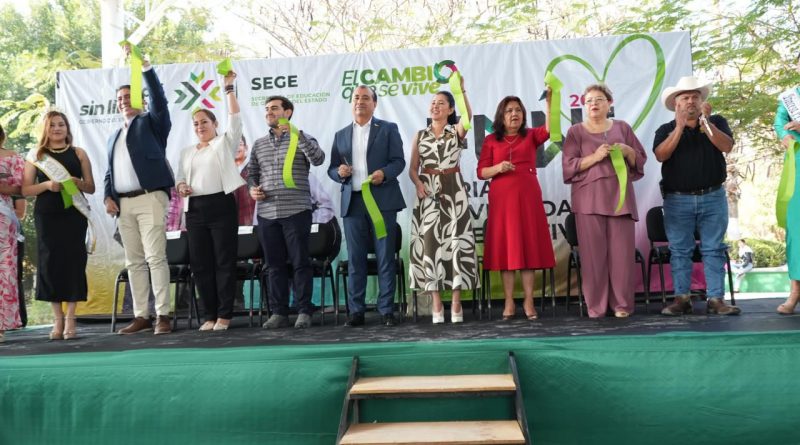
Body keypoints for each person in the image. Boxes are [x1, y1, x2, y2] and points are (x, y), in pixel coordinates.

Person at [653, 76, 740, 316]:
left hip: (713, 196)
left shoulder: (717, 122)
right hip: (677, 200)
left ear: (702, 102)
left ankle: (716, 299)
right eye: (685, 98)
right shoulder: (665, 130)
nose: (690, 101)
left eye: (695, 97)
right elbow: (661, 155)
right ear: (676, 104)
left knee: (714, 248)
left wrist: (706, 123)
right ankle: (682, 299)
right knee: (680, 250)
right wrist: (679, 127)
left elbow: (726, 146)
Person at [104, 46, 175, 334]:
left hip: (150, 198)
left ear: (140, 99)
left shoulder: (152, 123)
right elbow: (109, 171)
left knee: (155, 257)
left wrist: (145, 67)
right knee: (134, 261)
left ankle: (163, 315)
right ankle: (141, 315)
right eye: (119, 98)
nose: (124, 101)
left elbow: (159, 99)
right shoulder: (113, 136)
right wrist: (107, 196)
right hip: (123, 204)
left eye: (128, 96)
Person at [562, 84, 647, 318]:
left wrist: (628, 151)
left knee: (622, 256)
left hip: (620, 199)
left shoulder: (623, 127)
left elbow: (640, 160)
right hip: (588, 201)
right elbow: (568, 166)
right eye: (589, 100)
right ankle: (596, 307)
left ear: (609, 103)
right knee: (592, 257)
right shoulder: (575, 132)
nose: (593, 104)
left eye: (599, 99)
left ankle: (622, 305)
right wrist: (595, 156)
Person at [328, 85, 406, 327]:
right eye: (356, 98)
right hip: (353, 203)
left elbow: (399, 161)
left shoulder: (388, 129)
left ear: (374, 103)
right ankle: (356, 311)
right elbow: (331, 168)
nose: (359, 101)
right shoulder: (341, 134)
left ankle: (386, 310)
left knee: (385, 256)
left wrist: (385, 173)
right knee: (355, 259)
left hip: (382, 202)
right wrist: (339, 172)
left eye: (365, 98)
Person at [176, 70, 243, 331]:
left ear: (214, 124)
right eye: (195, 124)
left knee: (224, 262)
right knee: (201, 264)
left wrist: (229, 89)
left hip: (221, 205)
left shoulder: (224, 143)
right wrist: (181, 186)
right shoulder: (186, 152)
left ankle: (224, 315)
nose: (200, 127)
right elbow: (180, 178)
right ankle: (209, 315)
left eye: (204, 122)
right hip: (194, 210)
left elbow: (235, 120)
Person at [250, 95, 325, 329]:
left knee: (300, 262)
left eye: (274, 108)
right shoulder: (259, 144)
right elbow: (252, 173)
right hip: (267, 212)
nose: (269, 112)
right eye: (266, 109)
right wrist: (253, 188)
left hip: (296, 210)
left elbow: (318, 159)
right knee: (274, 265)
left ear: (288, 112)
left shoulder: (303, 137)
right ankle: (279, 312)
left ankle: (304, 311)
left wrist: (297, 135)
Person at [477, 95, 554, 320]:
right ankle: (509, 301)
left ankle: (529, 301)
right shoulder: (491, 140)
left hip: (528, 196)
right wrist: (498, 168)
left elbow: (550, 130)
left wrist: (550, 102)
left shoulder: (530, 135)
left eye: (518, 110)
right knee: (507, 250)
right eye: (509, 110)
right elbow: (481, 172)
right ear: (501, 115)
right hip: (502, 199)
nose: (514, 114)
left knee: (528, 248)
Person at [409, 81, 478, 324]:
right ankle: (437, 302)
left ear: (450, 109)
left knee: (456, 243)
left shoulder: (455, 131)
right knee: (430, 245)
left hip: (453, 189)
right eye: (433, 103)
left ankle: (456, 302)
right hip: (427, 191)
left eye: (441, 103)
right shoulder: (420, 135)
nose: (435, 106)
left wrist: (462, 90)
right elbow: (413, 168)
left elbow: (468, 118)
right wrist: (418, 183)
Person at [22, 111, 94, 340]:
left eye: (61, 124)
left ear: (67, 127)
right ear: (45, 129)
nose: (57, 129)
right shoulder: (36, 155)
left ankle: (71, 317)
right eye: (52, 125)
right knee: (50, 262)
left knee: (74, 262)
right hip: (47, 215)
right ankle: (57, 318)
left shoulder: (79, 153)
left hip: (74, 214)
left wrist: (77, 182)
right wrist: (46, 186)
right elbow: (26, 190)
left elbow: (91, 187)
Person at [774, 56, 800, 314]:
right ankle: (795, 292)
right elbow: (779, 122)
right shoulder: (790, 97)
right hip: (797, 167)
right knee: (796, 229)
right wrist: (785, 135)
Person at [0, 122, 24, 343]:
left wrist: (3, 187)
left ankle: (2, 325)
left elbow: (21, 188)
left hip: (4, 218)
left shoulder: (13, 157)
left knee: (5, 269)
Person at [233, 136, 256, 226]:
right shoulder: (225, 171)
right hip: (231, 224)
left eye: (239, 144)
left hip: (252, 222)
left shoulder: (254, 168)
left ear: (246, 147)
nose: (236, 148)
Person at [13, 195, 27, 327]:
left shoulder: (13, 185)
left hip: (12, 235)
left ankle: (18, 319)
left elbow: (21, 213)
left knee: (13, 277)